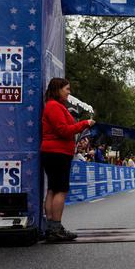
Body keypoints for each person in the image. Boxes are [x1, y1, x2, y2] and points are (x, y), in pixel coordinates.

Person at [41, 78, 96, 241]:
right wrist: (84, 124)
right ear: (58, 89)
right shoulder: (54, 106)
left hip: (55, 152)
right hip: (56, 152)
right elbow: (63, 130)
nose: (69, 92)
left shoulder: (54, 106)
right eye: (67, 89)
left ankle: (51, 228)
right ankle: (56, 228)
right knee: (61, 190)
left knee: (53, 189)